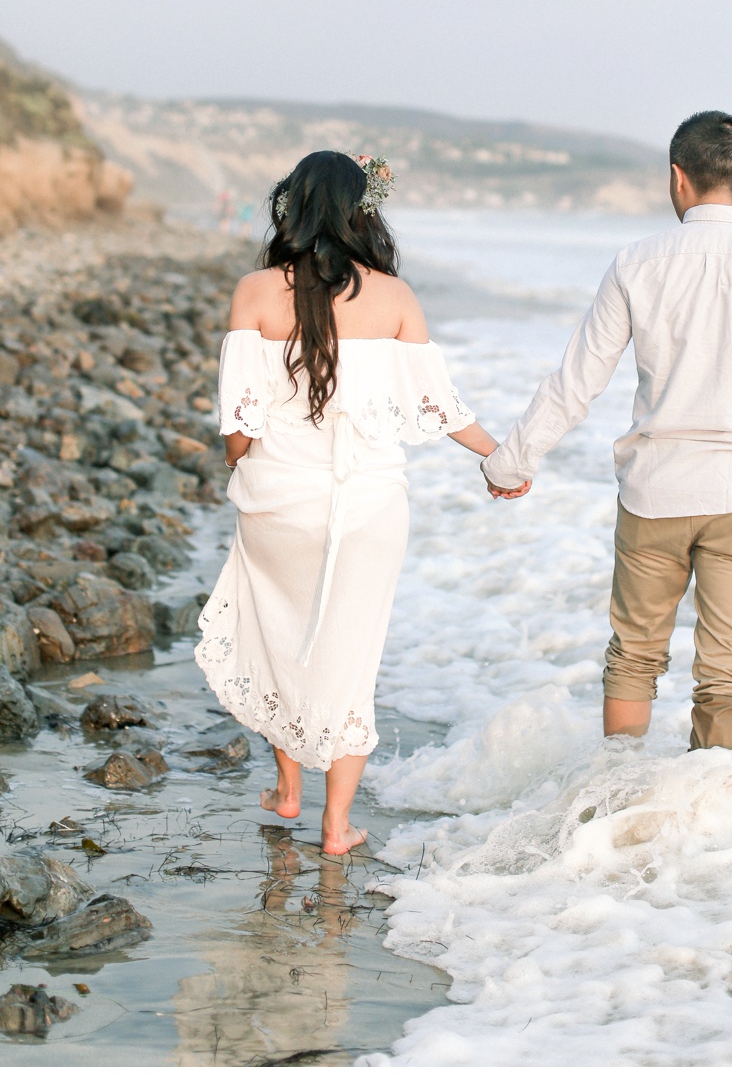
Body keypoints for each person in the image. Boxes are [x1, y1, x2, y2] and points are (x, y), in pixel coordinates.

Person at [481, 110, 732, 752]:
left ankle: (616, 805)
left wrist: (511, 462)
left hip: (655, 494)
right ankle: (705, 827)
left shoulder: (636, 264)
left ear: (677, 178)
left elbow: (576, 381)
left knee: (635, 657)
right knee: (728, 673)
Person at [195, 150, 510, 854]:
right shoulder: (395, 297)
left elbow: (238, 423)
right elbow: (441, 406)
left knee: (279, 632)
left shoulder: (254, 291)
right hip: (368, 508)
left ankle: (287, 792)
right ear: (362, 211)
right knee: (350, 654)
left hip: (278, 501)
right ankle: (337, 828)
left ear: (294, 207)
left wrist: (241, 473)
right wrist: (499, 457)